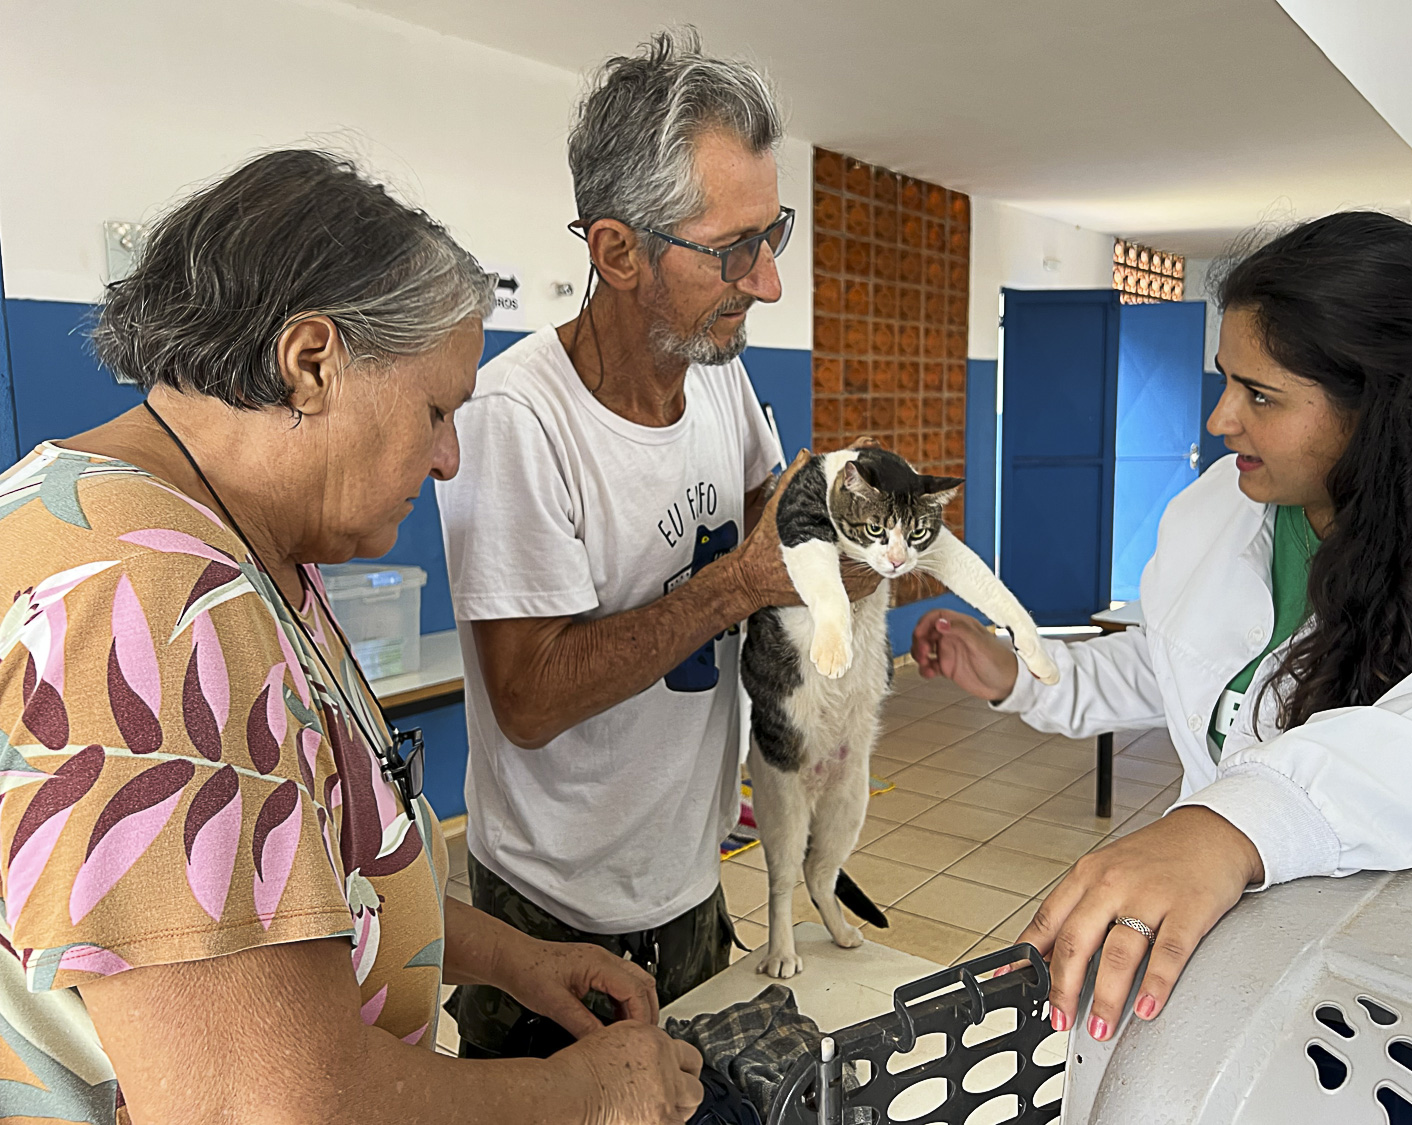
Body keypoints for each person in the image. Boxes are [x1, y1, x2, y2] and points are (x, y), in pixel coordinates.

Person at [0, 149, 702, 1124]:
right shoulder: (152, 606)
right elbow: (263, 1106)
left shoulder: (232, 543)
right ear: (311, 363)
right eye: (435, 410)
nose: (449, 458)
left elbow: (297, 885)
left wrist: (515, 958)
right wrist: (587, 1092)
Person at [913, 212, 1412, 1045]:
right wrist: (1024, 674)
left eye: (1260, 395)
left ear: (1381, 407)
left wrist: (1225, 828)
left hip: (1407, 990)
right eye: (1226, 379)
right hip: (1242, 953)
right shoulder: (1223, 507)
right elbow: (1175, 663)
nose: (1221, 418)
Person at [435, 29, 876, 1059]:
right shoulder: (519, 420)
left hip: (688, 883)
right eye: (733, 249)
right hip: (551, 912)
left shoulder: (717, 372)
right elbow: (529, 700)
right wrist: (737, 585)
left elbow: (778, 529)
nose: (767, 283)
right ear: (617, 251)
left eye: (773, 235)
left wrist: (846, 540)